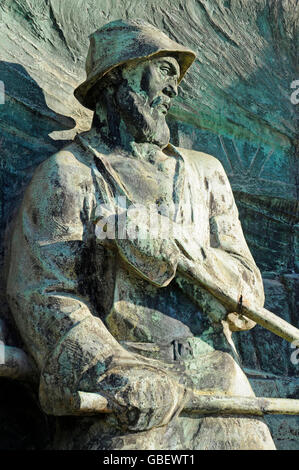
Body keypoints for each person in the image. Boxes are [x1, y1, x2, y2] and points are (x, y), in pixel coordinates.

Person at [6, 19, 276, 449]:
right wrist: (113, 370)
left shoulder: (205, 173)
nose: (174, 88)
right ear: (116, 77)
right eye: (163, 70)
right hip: (126, 402)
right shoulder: (69, 176)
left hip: (223, 393)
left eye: (177, 76)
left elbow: (249, 300)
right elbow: (42, 294)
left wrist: (177, 251)